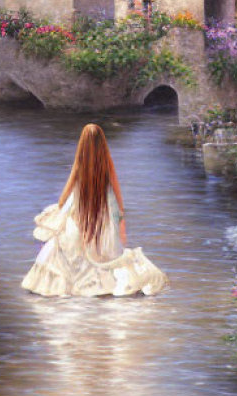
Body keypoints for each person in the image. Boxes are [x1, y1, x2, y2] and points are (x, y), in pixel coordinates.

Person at [21, 123, 169, 297]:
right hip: (104, 208)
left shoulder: (80, 161)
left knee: (70, 245)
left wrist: (61, 206)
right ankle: (101, 284)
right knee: (103, 248)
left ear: (82, 143)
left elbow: (66, 192)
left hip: (79, 207)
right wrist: (120, 215)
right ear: (102, 143)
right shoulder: (106, 161)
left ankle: (70, 285)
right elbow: (116, 188)